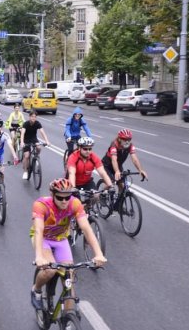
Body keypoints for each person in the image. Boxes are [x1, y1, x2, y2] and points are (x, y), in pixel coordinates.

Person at [30, 178, 106, 310]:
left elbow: (86, 228)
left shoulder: (75, 203)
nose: (64, 201)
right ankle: (36, 290)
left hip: (61, 239)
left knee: (69, 279)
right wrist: (39, 257)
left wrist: (98, 254)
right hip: (43, 239)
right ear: (53, 195)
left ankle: (68, 320)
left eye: (67, 197)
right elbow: (38, 230)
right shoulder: (41, 205)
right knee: (50, 270)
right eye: (60, 197)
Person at [102, 129, 148, 204]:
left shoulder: (130, 146)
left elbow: (134, 158)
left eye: (129, 139)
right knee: (110, 183)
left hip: (118, 165)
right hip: (107, 165)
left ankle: (118, 205)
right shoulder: (114, 145)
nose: (127, 141)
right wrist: (117, 171)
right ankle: (102, 195)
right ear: (119, 139)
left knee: (122, 186)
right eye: (124, 139)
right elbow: (114, 159)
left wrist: (141, 170)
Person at [20, 111, 51, 180]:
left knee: (39, 148)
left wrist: (47, 141)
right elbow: (22, 134)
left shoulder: (37, 123)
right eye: (32, 116)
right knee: (27, 155)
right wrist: (22, 142)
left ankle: (36, 156)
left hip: (34, 139)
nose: (33, 118)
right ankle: (25, 171)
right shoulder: (26, 124)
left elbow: (42, 132)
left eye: (35, 117)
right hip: (26, 140)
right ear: (29, 117)